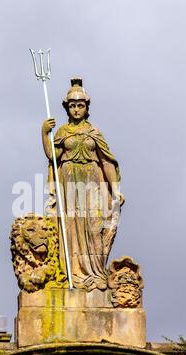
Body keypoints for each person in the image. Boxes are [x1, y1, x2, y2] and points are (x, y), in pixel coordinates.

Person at [42, 78, 122, 291]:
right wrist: (44, 133)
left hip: (93, 183)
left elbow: (106, 161)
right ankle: (72, 273)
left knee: (95, 225)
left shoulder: (94, 132)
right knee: (71, 227)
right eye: (72, 105)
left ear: (87, 107)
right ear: (66, 108)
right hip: (69, 184)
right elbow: (53, 155)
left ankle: (96, 272)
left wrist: (115, 190)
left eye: (80, 105)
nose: (76, 109)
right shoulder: (62, 133)